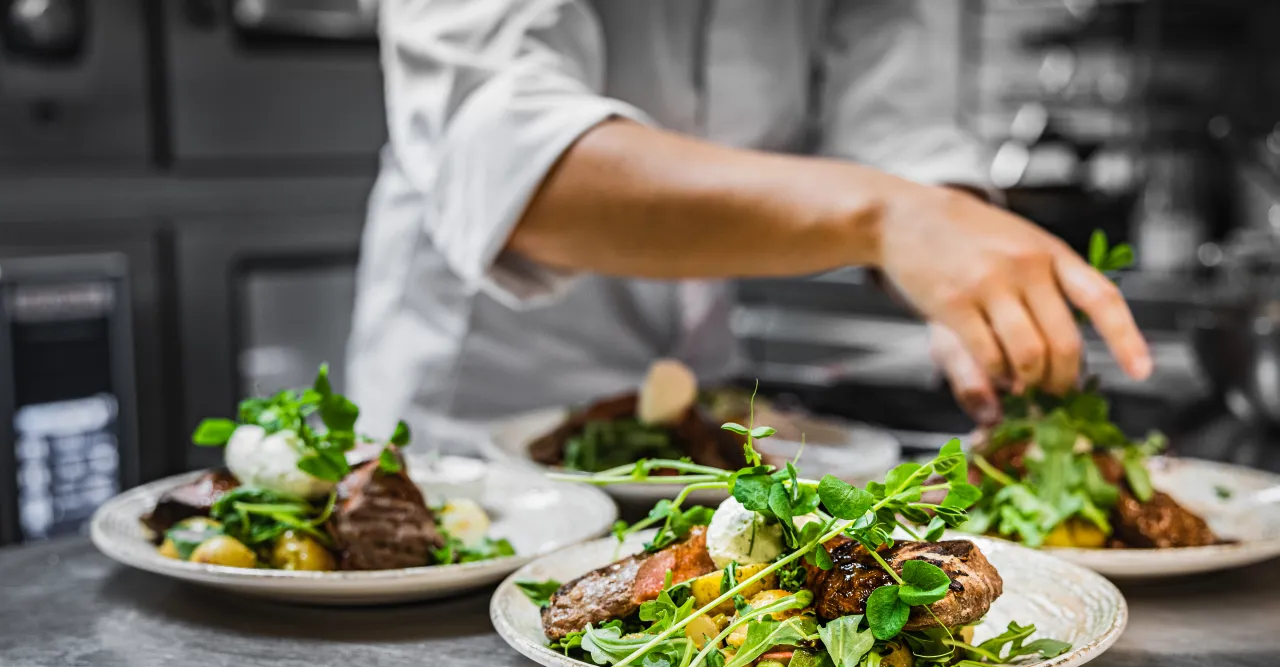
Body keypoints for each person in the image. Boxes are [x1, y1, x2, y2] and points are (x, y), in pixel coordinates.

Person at [347, 0, 1151, 450]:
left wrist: (961, 268)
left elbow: (895, 123)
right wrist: (892, 217)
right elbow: (521, 169)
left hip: (711, 424)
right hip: (477, 417)